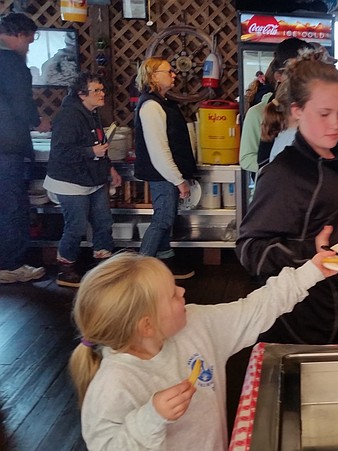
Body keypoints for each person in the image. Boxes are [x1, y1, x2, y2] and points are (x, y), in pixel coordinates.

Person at [68, 238, 337, 449]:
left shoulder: (196, 324)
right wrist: (151, 416)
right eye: (173, 295)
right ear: (147, 325)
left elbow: (255, 309)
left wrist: (311, 271)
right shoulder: (113, 384)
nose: (183, 291)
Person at [236, 54, 338, 344]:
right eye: (324, 113)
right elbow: (250, 248)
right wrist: (307, 251)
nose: (335, 124)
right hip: (309, 323)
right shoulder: (284, 174)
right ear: (297, 110)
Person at [44, 72, 123, 287]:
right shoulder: (68, 117)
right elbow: (61, 151)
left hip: (94, 177)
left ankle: (103, 263)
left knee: (103, 221)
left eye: (102, 89)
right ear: (81, 94)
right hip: (70, 181)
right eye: (96, 91)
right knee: (76, 226)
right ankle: (66, 267)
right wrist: (91, 151)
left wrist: (109, 168)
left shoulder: (92, 113)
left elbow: (100, 145)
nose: (102, 94)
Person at [134, 57, 196, 279]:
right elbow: (159, 149)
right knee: (163, 219)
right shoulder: (151, 106)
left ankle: (165, 260)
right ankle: (140, 271)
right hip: (162, 174)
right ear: (152, 76)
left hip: (164, 174)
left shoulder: (159, 102)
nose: (174, 75)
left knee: (165, 217)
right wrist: (178, 180)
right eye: (168, 71)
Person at [0, 13, 50, 284]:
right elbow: (21, 103)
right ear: (18, 35)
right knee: (12, 207)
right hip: (7, 147)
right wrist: (38, 120)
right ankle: (10, 265)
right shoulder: (11, 64)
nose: (28, 48)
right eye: (29, 43)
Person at [239, 38, 313, 173]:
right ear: (279, 76)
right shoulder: (257, 113)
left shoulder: (312, 112)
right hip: (271, 188)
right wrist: (280, 166)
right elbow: (246, 158)